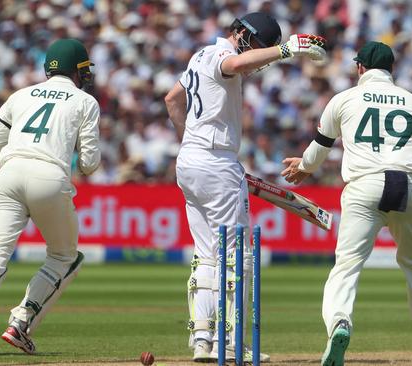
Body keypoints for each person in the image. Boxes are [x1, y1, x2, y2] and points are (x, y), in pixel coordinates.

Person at [164, 12, 327, 363]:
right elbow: (236, 63)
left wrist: (191, 143)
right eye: (259, 45)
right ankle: (232, 341)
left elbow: (172, 100)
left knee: (207, 254)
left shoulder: (198, 57)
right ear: (240, 34)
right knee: (239, 256)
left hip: (189, 162)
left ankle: (203, 340)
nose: (261, 56)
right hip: (217, 164)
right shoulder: (224, 55)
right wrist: (286, 50)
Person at [281, 41, 412, 366]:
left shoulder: (345, 98)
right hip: (409, 185)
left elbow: (321, 144)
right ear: (391, 70)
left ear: (359, 68)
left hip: (365, 185)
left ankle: (340, 322)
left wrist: (304, 167)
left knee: (347, 266)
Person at [0, 38, 100, 366]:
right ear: (77, 70)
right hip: (49, 177)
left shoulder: (19, 95)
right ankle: (21, 322)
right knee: (66, 256)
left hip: (9, 173)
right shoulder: (85, 101)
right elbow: (90, 164)